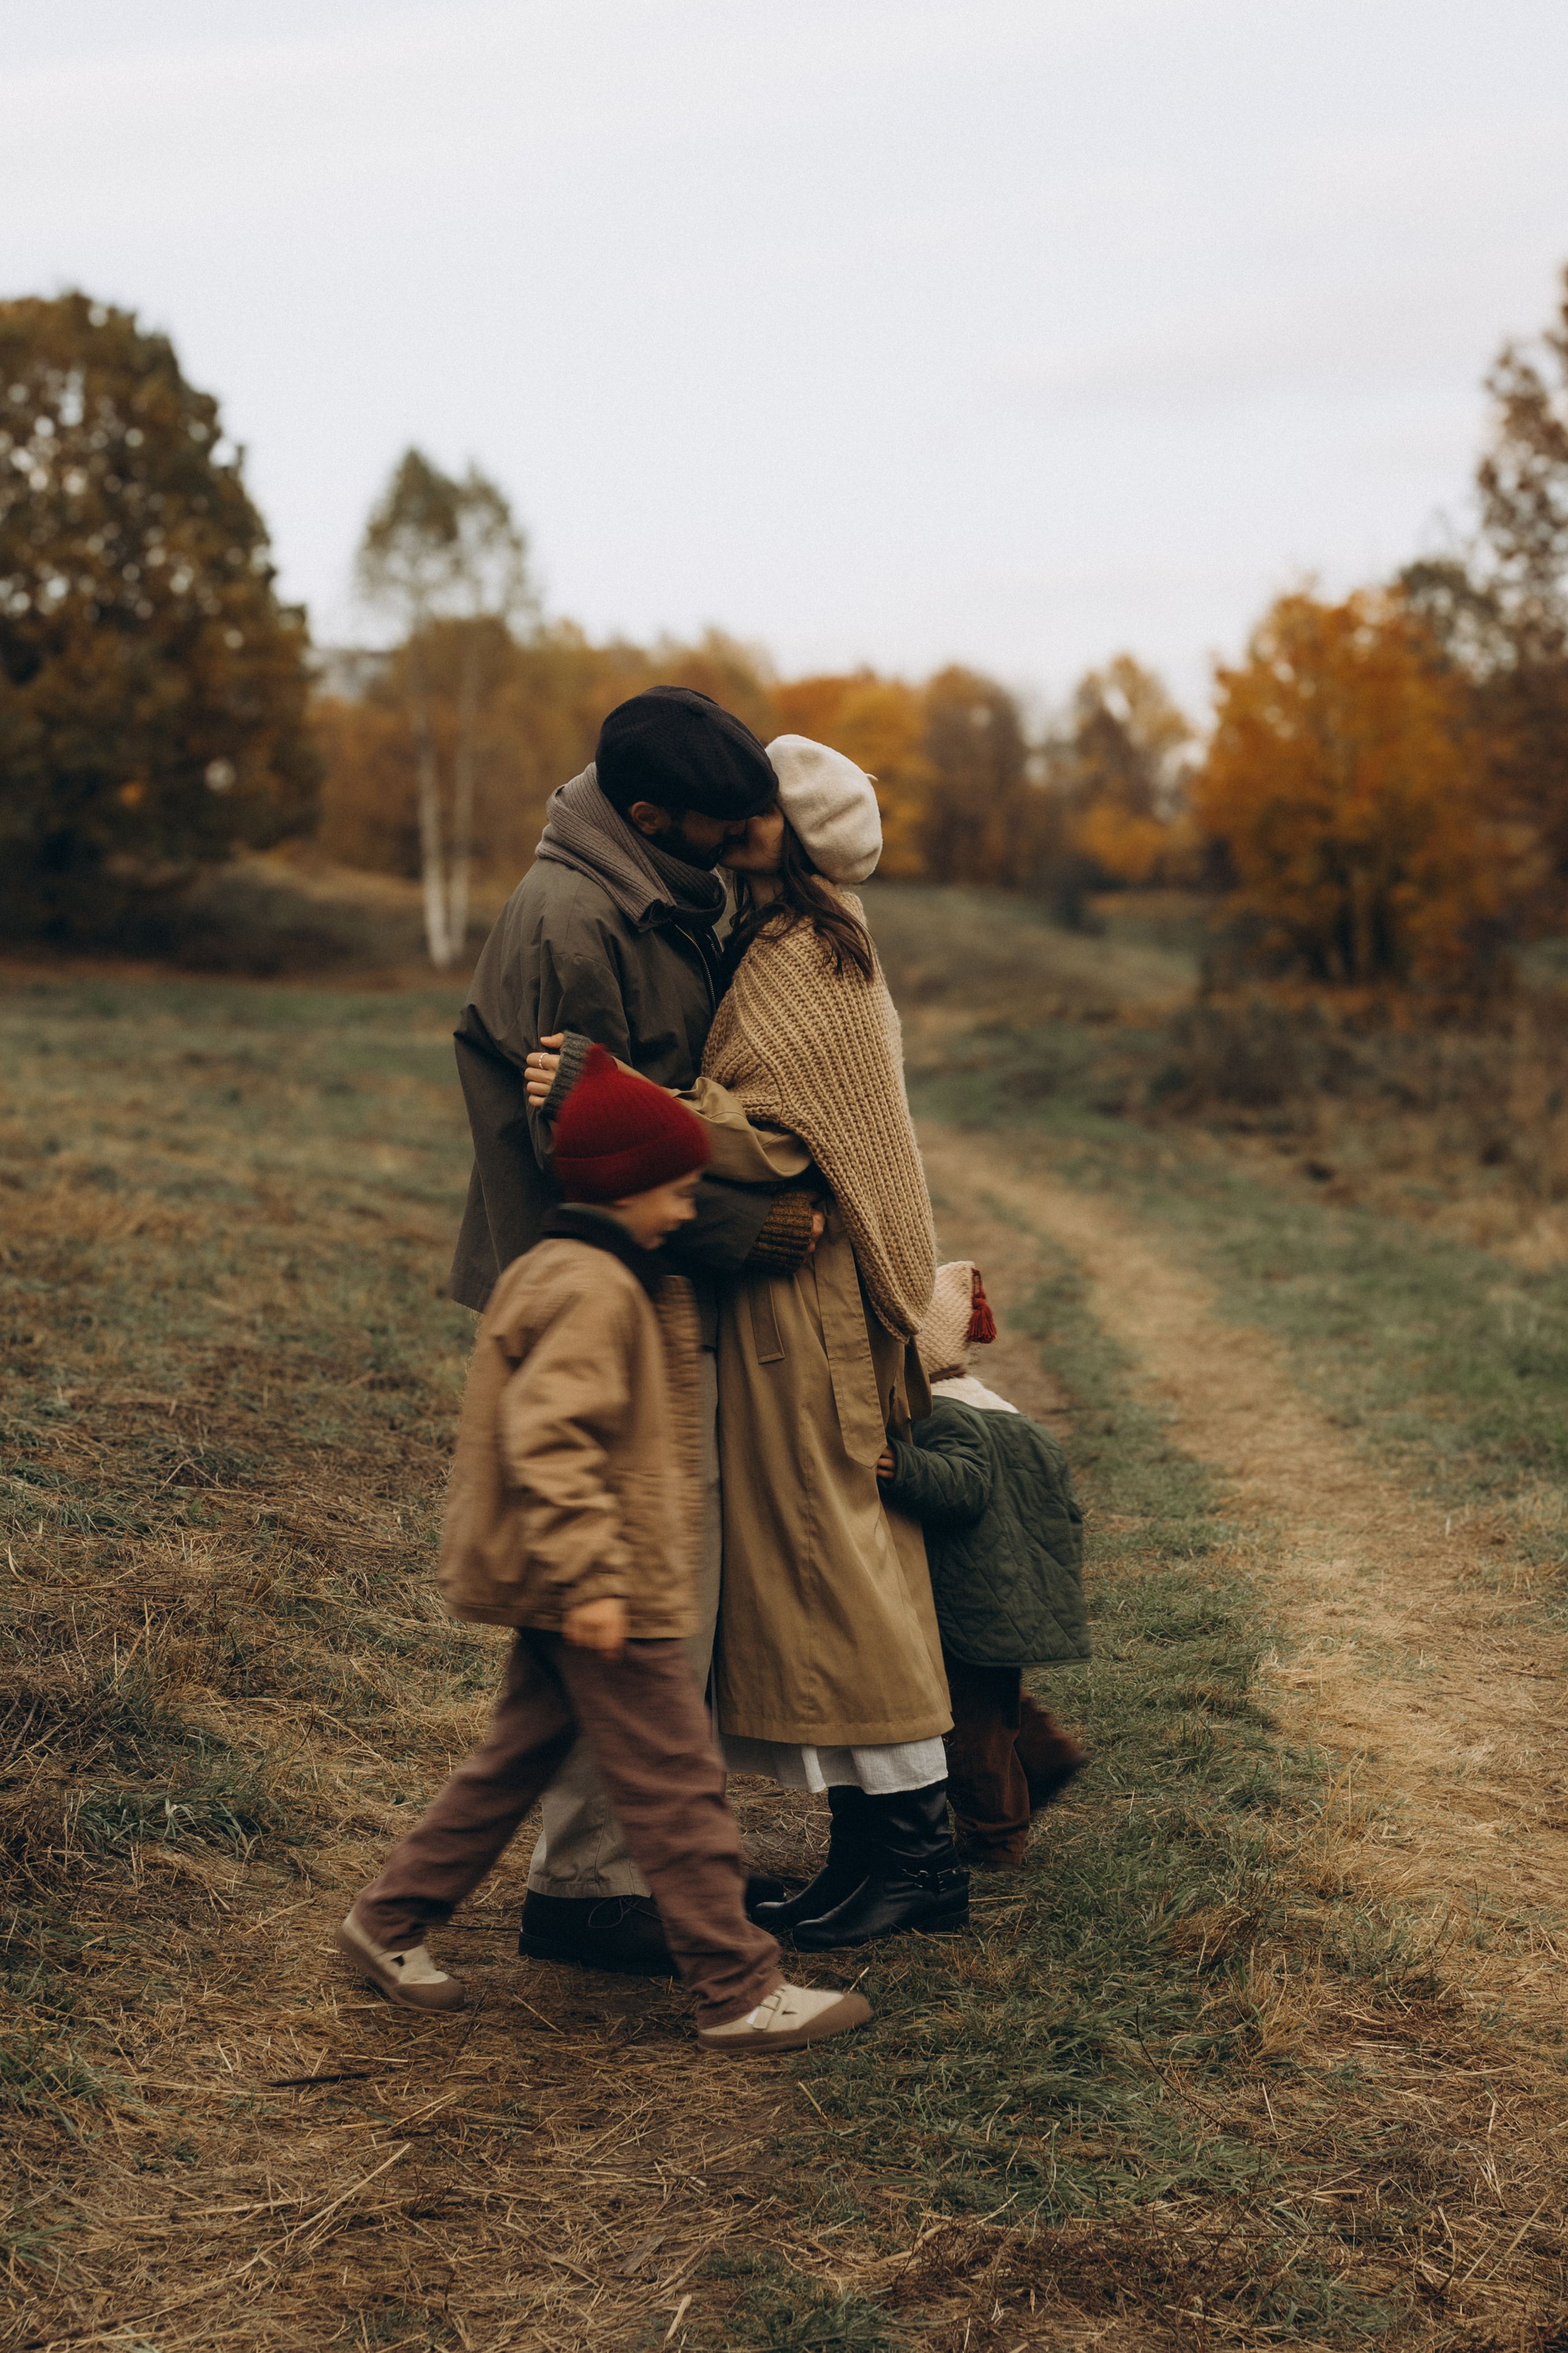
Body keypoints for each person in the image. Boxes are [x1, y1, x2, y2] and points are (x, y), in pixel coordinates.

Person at [336, 1046, 871, 2055]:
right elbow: (553, 1437)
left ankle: (388, 1919)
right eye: (676, 1191)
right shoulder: (593, 1288)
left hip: (578, 1584)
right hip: (601, 1587)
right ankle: (737, 1988)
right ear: (625, 1187)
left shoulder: (592, 1267)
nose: (685, 1210)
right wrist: (592, 1575)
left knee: (511, 1763)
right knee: (676, 1786)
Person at [448, 687, 821, 1976]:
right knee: (639, 1584)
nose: (737, 854)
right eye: (721, 835)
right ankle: (595, 1889)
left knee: (618, 1602)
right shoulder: (573, 922)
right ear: (650, 814)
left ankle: (620, 1870)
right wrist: (762, 1230)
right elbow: (601, 1155)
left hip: (637, 1283)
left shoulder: (650, 886)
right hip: (593, 1292)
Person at [699, 738, 969, 1952]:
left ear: (796, 838)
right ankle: (867, 1853)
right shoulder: (799, 935)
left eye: (758, 808)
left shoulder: (804, 950)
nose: (736, 819)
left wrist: (647, 1106)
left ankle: (914, 1855)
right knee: (826, 1569)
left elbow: (770, 1137)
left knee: (839, 1565)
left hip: (808, 1304)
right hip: (798, 1295)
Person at [875, 1261, 1089, 1868]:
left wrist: (902, 1467)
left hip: (967, 1595)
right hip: (1011, 1591)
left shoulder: (941, 1415)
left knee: (970, 1732)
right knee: (994, 1706)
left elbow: (963, 1486)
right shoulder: (1002, 1412)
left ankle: (993, 1841)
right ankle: (1045, 1756)